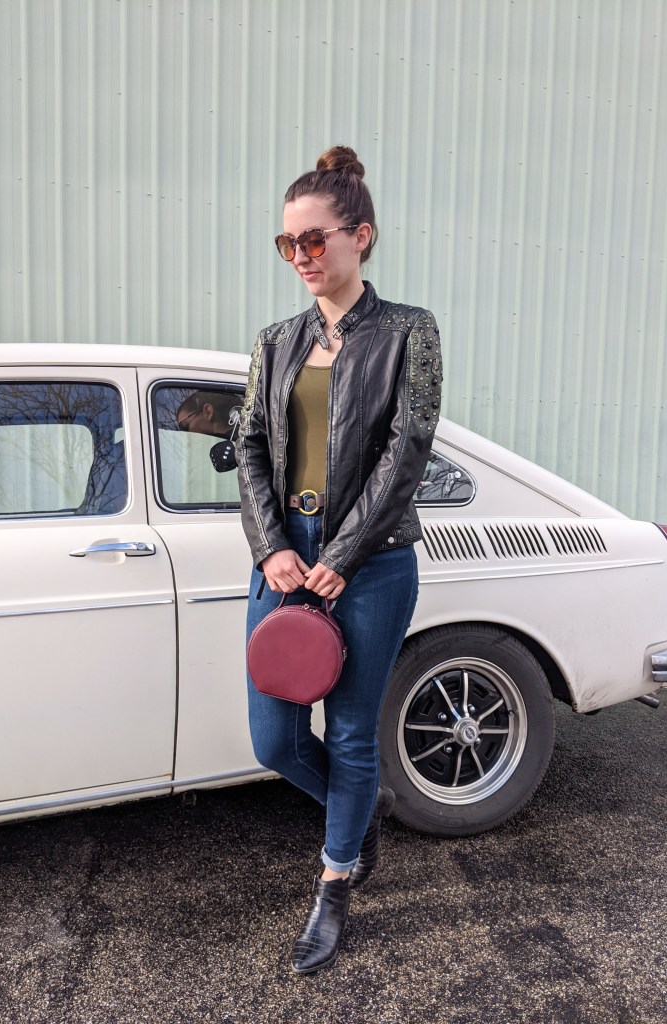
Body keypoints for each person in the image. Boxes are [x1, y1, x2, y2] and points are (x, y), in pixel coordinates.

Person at [236, 145, 442, 974]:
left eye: (315, 241)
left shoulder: (408, 332)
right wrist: (273, 547)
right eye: (288, 244)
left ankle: (334, 879)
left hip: (375, 562)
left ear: (361, 236)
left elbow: (407, 450)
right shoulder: (275, 341)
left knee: (352, 735)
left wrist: (345, 554)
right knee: (274, 739)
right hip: (284, 561)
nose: (302, 258)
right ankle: (357, 819)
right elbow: (248, 443)